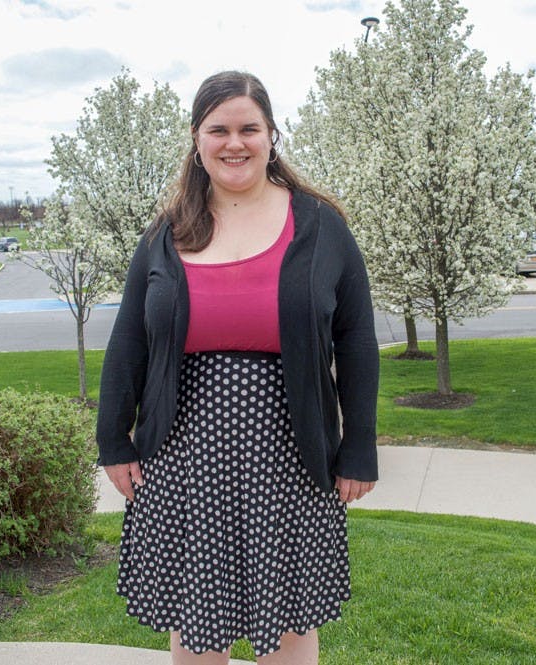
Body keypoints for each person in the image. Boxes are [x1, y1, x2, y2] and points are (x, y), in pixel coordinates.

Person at [96, 71, 379, 664]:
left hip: (292, 453)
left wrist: (359, 448)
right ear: (197, 140)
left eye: (249, 128)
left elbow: (355, 340)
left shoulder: (321, 226)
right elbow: (129, 340)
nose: (235, 143)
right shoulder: (166, 234)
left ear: (272, 135)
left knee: (291, 613)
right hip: (184, 457)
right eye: (218, 129)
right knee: (198, 617)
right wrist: (114, 442)